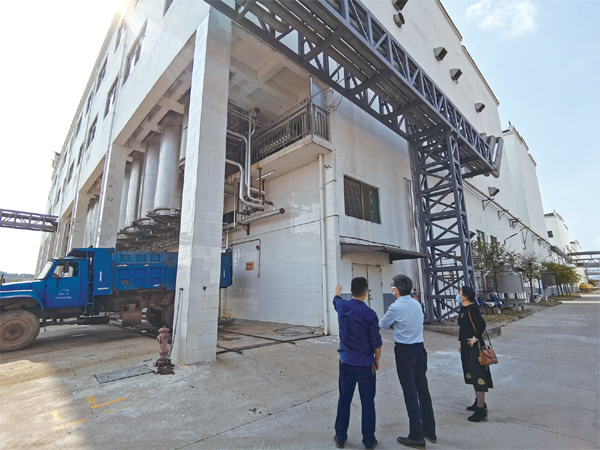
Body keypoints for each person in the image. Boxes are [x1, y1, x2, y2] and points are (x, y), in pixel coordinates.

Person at [379, 274, 436, 449]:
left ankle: (416, 435)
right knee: (423, 390)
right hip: (420, 349)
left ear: (396, 289)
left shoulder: (395, 307)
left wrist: (395, 324)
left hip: (405, 352)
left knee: (410, 393)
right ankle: (429, 430)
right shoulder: (416, 304)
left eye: (392, 285)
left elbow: (383, 324)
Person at [333, 277, 382, 450]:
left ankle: (340, 437)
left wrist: (337, 292)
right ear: (365, 293)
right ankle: (369, 440)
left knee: (344, 400)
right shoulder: (370, 314)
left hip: (346, 363)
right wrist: (377, 360)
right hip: (365, 365)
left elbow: (335, 300)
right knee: (368, 402)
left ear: (351, 291)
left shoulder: (343, 307)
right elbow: (377, 343)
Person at [457, 285, 493, 422]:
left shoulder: (472, 308)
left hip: (475, 347)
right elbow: (462, 328)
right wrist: (460, 342)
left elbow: (481, 325)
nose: (458, 294)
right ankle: (479, 402)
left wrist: (475, 338)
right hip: (466, 346)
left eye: (459, 293)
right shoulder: (463, 308)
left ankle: (481, 410)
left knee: (478, 374)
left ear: (465, 296)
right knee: (471, 373)